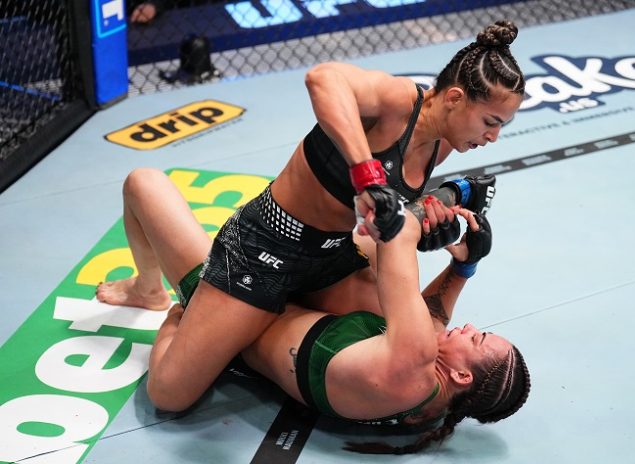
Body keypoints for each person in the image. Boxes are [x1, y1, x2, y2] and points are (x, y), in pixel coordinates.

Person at [97, 20, 526, 412]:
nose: (493, 136)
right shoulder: (397, 102)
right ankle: (159, 293)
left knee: (411, 330)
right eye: (490, 122)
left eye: (501, 127)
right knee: (170, 394)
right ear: (454, 98)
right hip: (264, 252)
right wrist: (365, 172)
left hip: (332, 257)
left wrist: (429, 220)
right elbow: (322, 77)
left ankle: (224, 314)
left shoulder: (442, 143)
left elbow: (387, 223)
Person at [99, 168, 530, 454]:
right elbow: (431, 319)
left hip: (240, 296)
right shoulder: (432, 407)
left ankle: (153, 293)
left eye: (477, 338)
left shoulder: (413, 361)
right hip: (298, 298)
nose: (469, 326)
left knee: (143, 184)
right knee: (375, 270)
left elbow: (398, 234)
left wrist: (437, 204)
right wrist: (463, 267)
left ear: (462, 376)